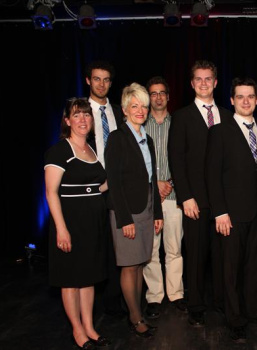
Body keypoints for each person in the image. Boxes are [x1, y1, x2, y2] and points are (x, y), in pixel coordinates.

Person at [206, 77, 257, 343]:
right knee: (231, 269)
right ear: (232, 100)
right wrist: (220, 213)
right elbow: (212, 176)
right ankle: (234, 318)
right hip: (231, 215)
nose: (246, 101)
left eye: (251, 96)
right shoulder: (220, 131)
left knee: (256, 266)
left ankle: (252, 310)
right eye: (240, 97)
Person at [168, 60, 232, 327]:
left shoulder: (229, 116)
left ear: (216, 82)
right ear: (192, 83)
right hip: (194, 200)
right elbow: (176, 159)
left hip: (224, 202)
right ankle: (195, 304)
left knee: (222, 255)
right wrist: (185, 196)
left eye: (209, 79)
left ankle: (220, 300)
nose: (204, 83)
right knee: (194, 255)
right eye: (199, 79)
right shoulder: (181, 116)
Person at [44, 98, 111, 349]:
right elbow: (51, 192)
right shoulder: (59, 151)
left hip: (93, 223)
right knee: (71, 278)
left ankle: (90, 327)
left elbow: (97, 186)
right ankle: (77, 330)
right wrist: (61, 228)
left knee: (88, 277)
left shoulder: (92, 150)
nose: (83, 119)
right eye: (77, 115)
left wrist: (120, 177)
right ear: (67, 120)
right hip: (70, 223)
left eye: (87, 115)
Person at [105, 83, 164, 338]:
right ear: (126, 110)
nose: (140, 110)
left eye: (144, 106)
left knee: (140, 264)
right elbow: (114, 182)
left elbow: (153, 179)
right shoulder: (118, 138)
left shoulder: (147, 139)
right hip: (127, 211)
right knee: (129, 266)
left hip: (148, 208)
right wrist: (124, 218)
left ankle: (136, 312)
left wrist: (158, 213)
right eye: (134, 106)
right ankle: (135, 317)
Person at [84, 60, 126, 317]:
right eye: (97, 79)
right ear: (88, 80)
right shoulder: (79, 112)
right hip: (91, 186)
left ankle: (114, 300)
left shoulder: (120, 111)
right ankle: (92, 302)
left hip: (117, 186)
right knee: (92, 244)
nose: (102, 84)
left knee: (117, 246)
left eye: (106, 79)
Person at [142, 76, 187, 319]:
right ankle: (154, 296)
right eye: (153, 93)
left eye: (162, 93)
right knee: (150, 250)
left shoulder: (178, 122)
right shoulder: (138, 123)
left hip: (173, 195)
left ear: (168, 97)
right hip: (148, 197)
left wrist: (169, 183)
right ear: (148, 97)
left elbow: (185, 159)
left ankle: (176, 294)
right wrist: (153, 184)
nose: (158, 97)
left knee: (174, 248)